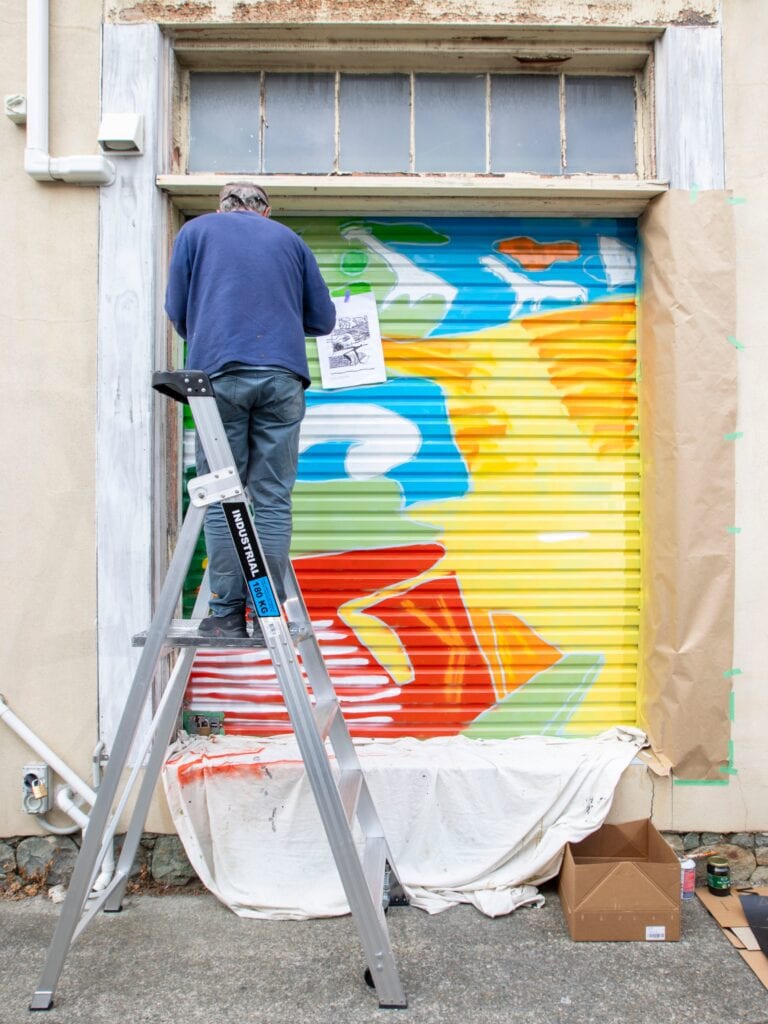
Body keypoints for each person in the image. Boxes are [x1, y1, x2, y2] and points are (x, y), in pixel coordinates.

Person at [164, 181, 336, 639]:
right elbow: (323, 320)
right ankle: (266, 613)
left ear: (222, 207)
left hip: (219, 375)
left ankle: (225, 613)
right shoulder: (290, 241)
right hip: (283, 378)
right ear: (266, 210)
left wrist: (211, 329)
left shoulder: (196, 232)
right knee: (272, 498)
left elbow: (176, 311)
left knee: (224, 494)